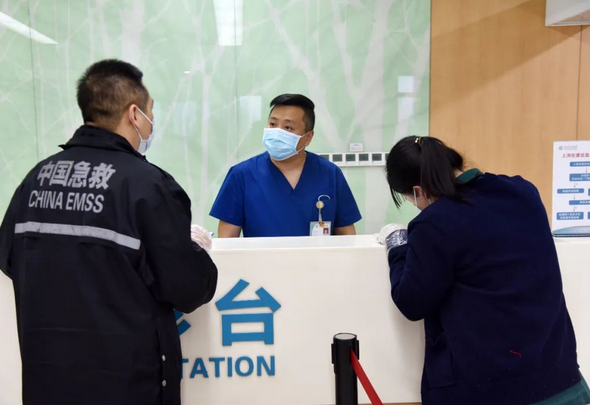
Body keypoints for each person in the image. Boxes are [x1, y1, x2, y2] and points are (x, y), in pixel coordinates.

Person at [0, 59, 218, 405]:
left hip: (49, 382)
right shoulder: (147, 186)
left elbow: (8, 257)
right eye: (151, 111)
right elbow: (187, 288)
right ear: (134, 114)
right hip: (128, 384)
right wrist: (193, 249)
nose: (152, 120)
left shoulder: (36, 179)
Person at [380, 136, 590, 405]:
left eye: (411, 199)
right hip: (561, 378)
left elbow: (411, 301)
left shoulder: (434, 223)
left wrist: (397, 246)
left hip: (492, 390)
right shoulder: (523, 191)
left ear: (418, 191)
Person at [210, 93, 361, 237]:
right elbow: (227, 240)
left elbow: (347, 233)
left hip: (317, 257)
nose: (277, 132)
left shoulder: (330, 174)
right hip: (261, 257)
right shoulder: (241, 175)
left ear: (308, 137)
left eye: (288, 127)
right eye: (273, 124)